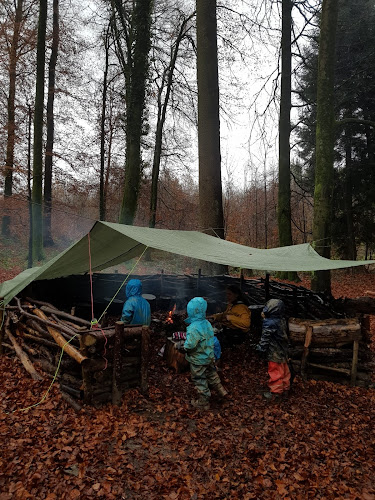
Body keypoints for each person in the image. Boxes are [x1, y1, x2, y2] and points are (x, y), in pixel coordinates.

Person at [184, 297, 228, 410]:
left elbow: (190, 345)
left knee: (200, 379)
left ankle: (203, 402)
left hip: (198, 360)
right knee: (212, 374)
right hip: (209, 356)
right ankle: (221, 391)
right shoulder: (207, 323)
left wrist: (182, 346)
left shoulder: (193, 327)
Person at [256, 298, 290, 401]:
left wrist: (260, 349)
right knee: (284, 370)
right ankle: (285, 389)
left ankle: (276, 393)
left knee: (275, 371)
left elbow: (265, 338)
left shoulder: (269, 323)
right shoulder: (282, 320)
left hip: (274, 351)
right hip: (283, 350)